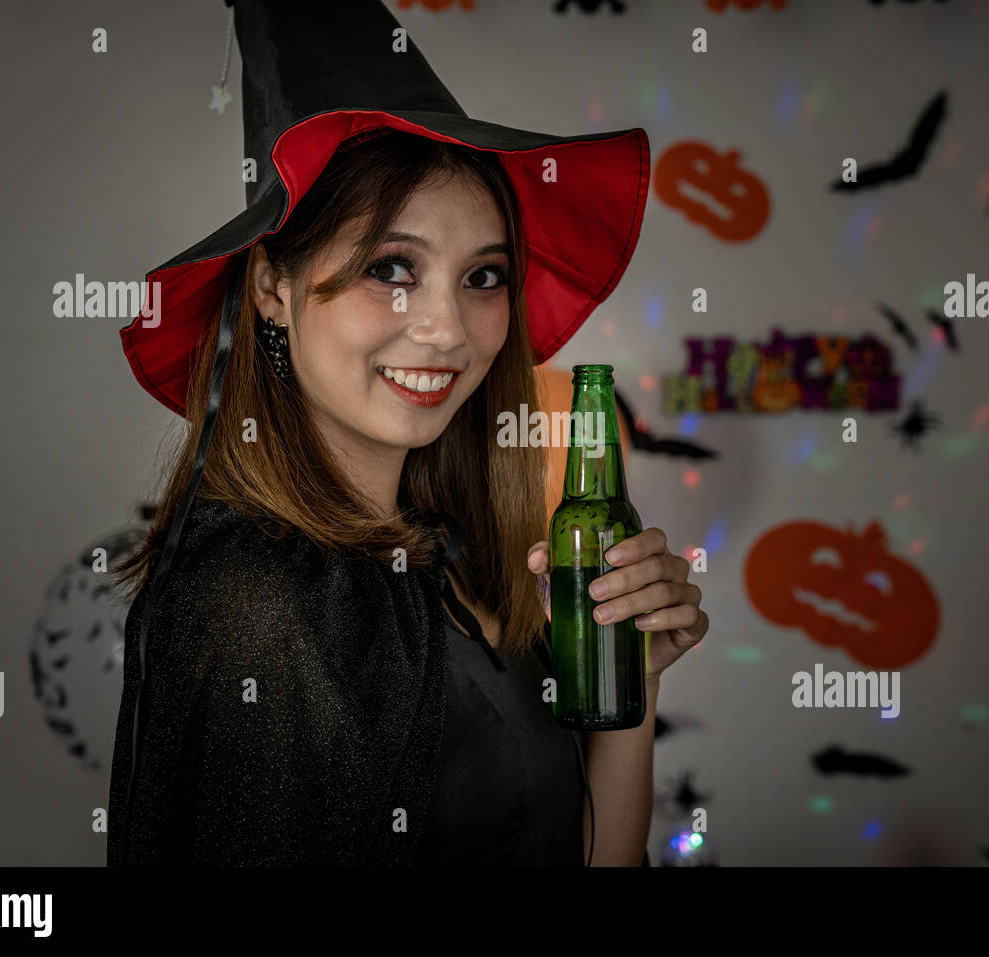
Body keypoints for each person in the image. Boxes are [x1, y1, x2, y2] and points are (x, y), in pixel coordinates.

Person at [105, 0, 708, 866]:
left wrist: (630, 691)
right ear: (272, 284)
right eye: (392, 268)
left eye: (484, 276)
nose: (447, 330)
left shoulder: (452, 555)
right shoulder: (255, 604)